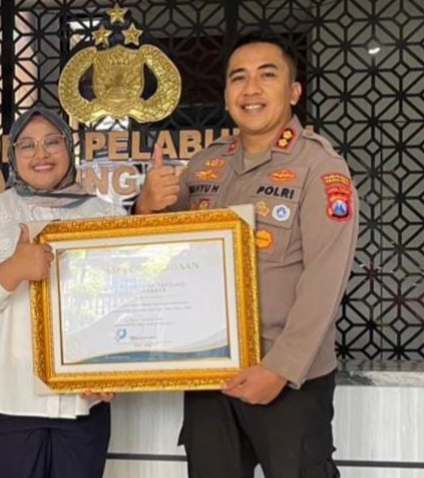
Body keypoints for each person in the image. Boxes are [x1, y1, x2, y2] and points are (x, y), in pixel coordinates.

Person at [136, 34, 358, 477]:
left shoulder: (320, 168)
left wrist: (280, 369)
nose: (250, 88)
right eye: (238, 78)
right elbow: (166, 256)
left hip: (289, 380)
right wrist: (146, 205)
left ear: (293, 92)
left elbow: (325, 279)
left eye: (266, 75)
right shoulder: (205, 165)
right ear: (226, 94)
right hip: (211, 371)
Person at [0, 107, 124, 478]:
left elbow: (122, 306)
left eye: (52, 142)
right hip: (3, 397)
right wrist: (13, 270)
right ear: (13, 155)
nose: (41, 154)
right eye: (27, 145)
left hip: (82, 399)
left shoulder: (106, 215)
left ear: (69, 148)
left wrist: (114, 369)